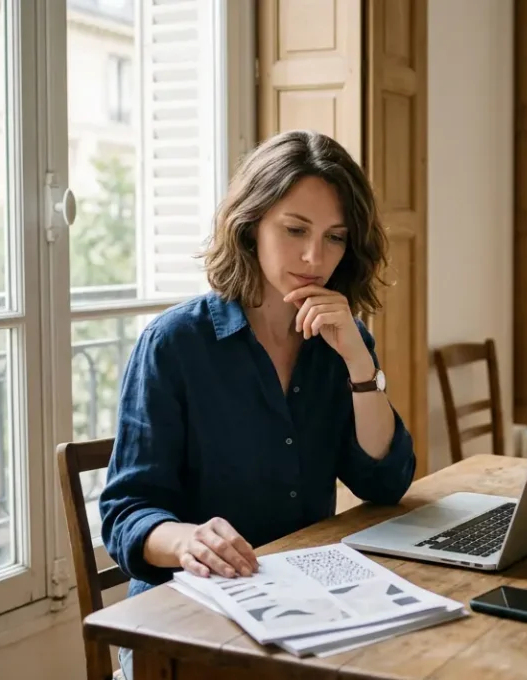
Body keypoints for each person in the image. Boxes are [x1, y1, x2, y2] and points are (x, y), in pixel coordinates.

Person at [98, 130, 417, 677]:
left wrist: (361, 366)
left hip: (307, 610)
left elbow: (385, 482)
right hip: (187, 625)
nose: (315, 256)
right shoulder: (174, 344)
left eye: (335, 238)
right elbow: (127, 513)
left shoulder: (340, 340)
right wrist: (189, 541)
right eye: (295, 230)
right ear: (250, 226)